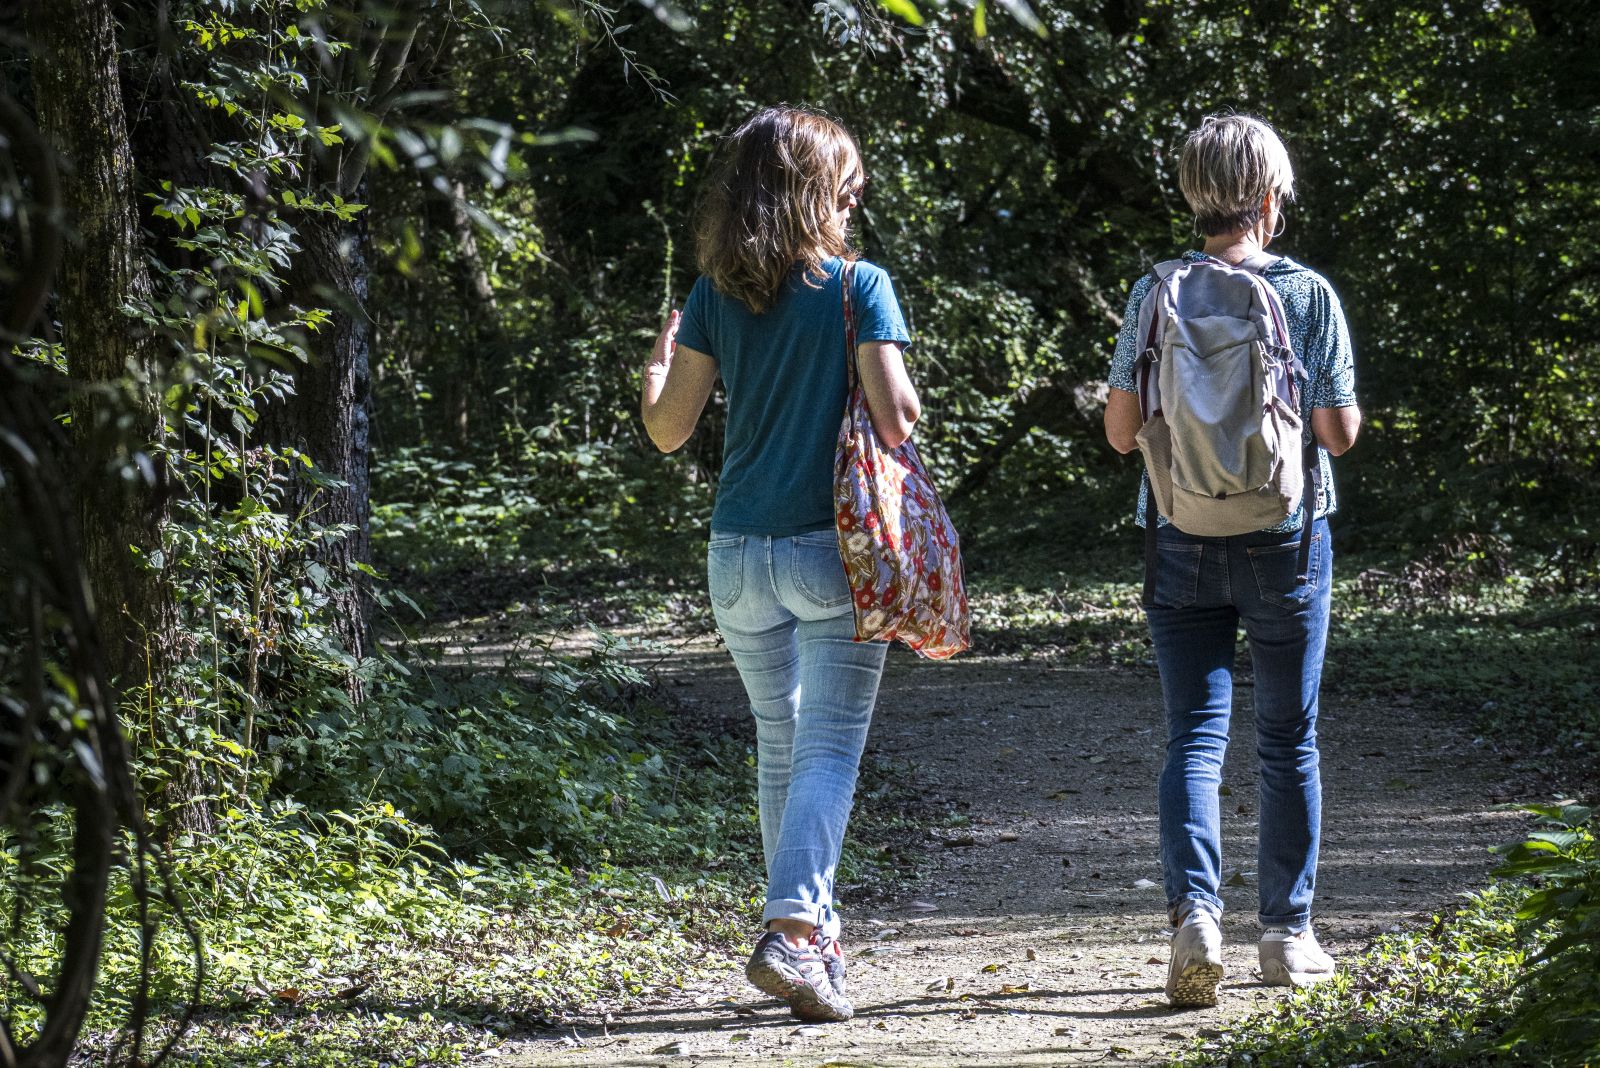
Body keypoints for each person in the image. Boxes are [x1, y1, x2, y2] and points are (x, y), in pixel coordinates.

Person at [639, 105, 918, 1023]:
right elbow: (896, 417)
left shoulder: (715, 294)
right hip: (827, 552)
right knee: (829, 748)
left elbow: (669, 431)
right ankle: (795, 930)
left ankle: (815, 944)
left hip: (736, 558)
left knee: (783, 744)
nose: (856, 195)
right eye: (847, 182)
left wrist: (655, 370)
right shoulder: (859, 287)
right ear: (818, 192)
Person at [1102, 113, 1362, 1008]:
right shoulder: (1307, 293)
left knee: (1194, 736)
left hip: (1178, 533)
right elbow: (1336, 431)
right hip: (1288, 538)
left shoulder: (1154, 290)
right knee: (1288, 738)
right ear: (1267, 198)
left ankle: (1194, 918)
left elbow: (1121, 428)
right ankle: (1287, 937)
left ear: (1195, 194)